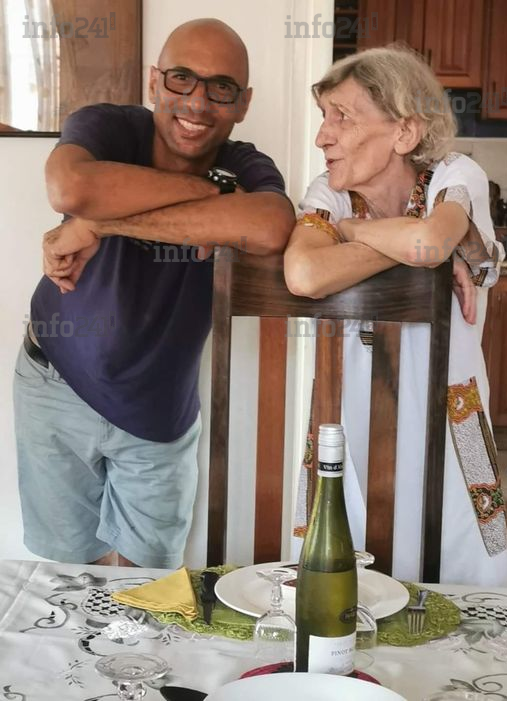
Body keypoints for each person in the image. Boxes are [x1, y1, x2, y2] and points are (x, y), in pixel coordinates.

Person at [14, 19, 295, 569]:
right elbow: (69, 187)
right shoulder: (109, 128)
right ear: (152, 81)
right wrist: (213, 195)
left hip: (158, 409)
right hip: (54, 384)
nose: (197, 102)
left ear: (243, 103)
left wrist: (102, 223)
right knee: (68, 582)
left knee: (147, 590)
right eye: (181, 78)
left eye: (221, 88)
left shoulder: (246, 163)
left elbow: (270, 226)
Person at [284, 45, 507, 585]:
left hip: (449, 428)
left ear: (405, 132)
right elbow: (305, 275)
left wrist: (351, 234)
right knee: (342, 589)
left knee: (466, 596)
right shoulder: (332, 192)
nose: (322, 137)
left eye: (342, 116)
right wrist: (417, 251)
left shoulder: (455, 175)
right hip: (350, 426)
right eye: (324, 117)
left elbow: (427, 242)